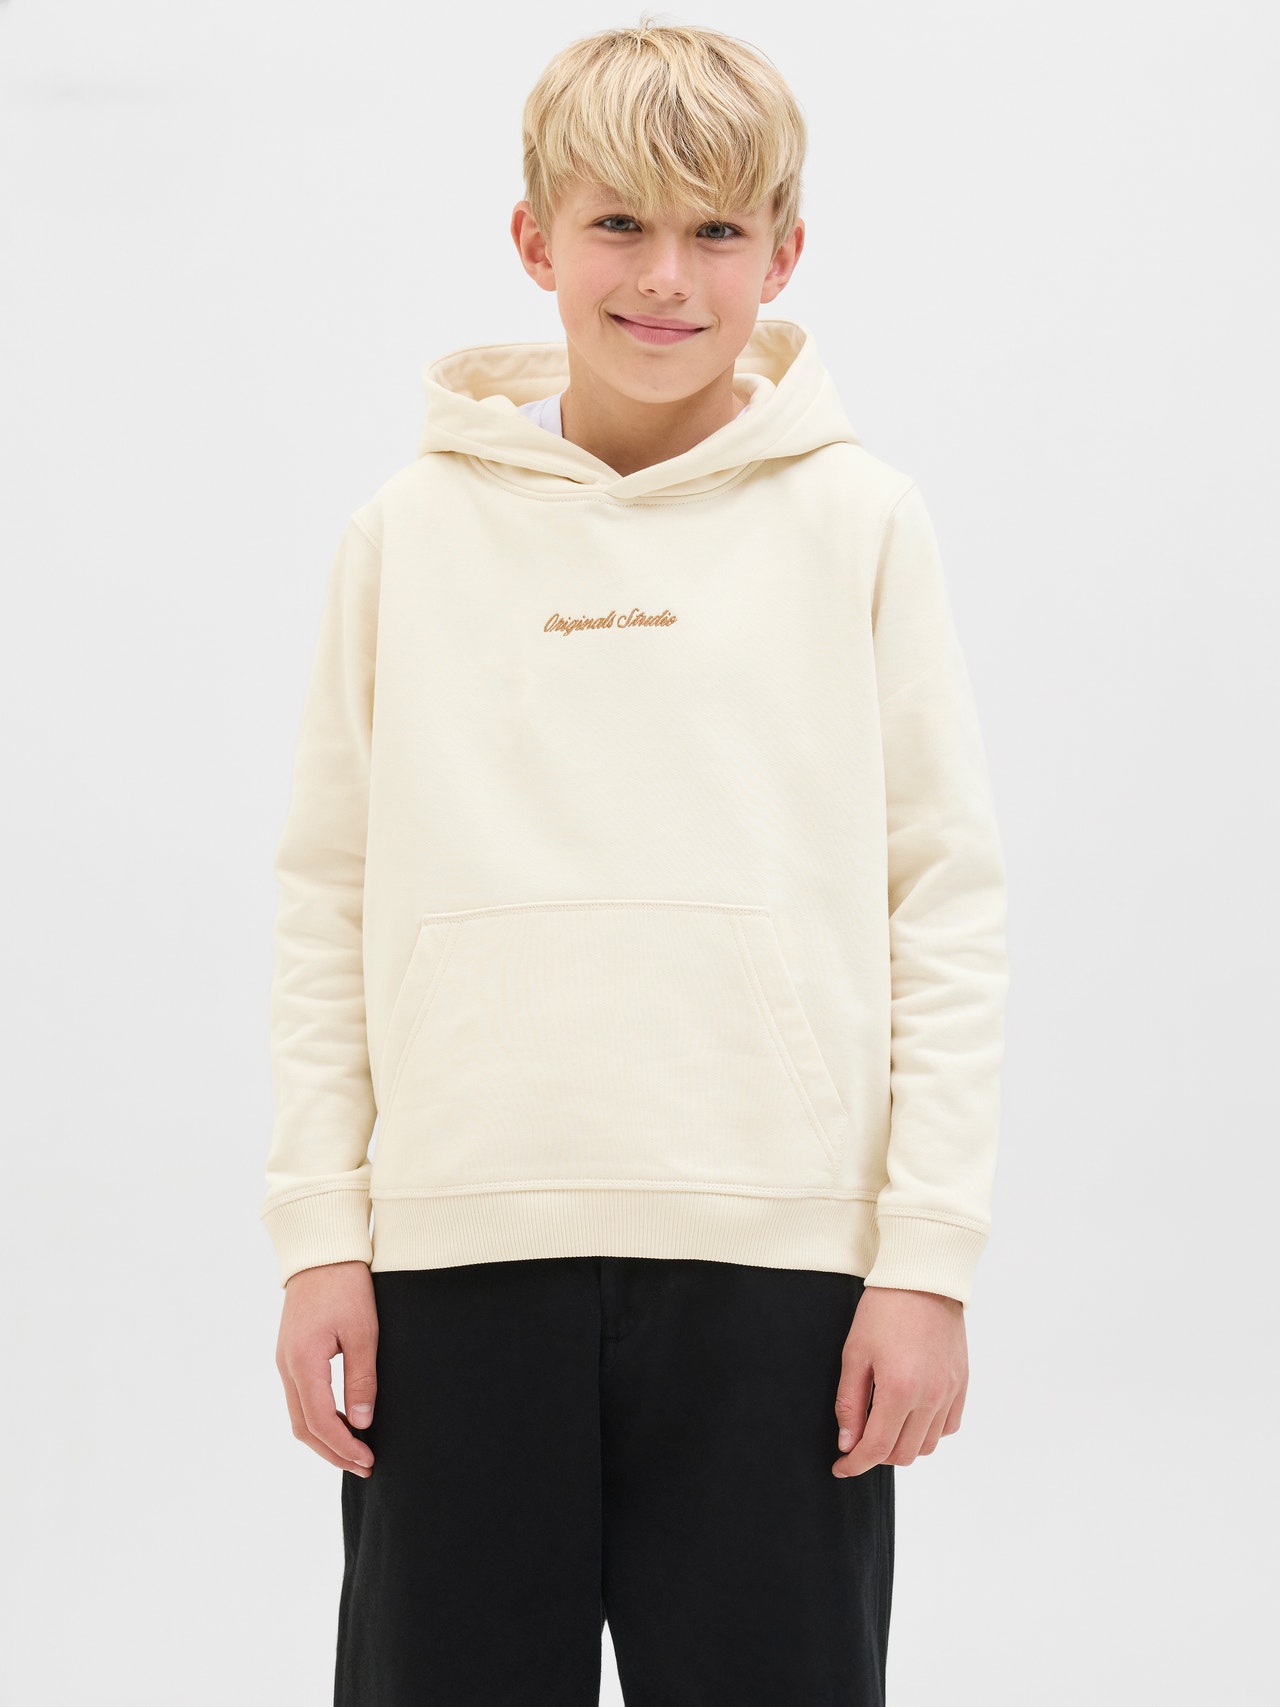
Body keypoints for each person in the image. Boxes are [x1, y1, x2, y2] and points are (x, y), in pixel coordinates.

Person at [259, 18, 1010, 1706]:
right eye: (620, 224)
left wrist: (926, 1260)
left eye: (717, 230)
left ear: (782, 254)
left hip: (782, 1277)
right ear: (535, 241)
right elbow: (326, 892)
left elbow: (944, 899)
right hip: (456, 1262)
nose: (667, 277)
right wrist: (319, 1234)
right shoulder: (406, 535)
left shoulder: (860, 523)